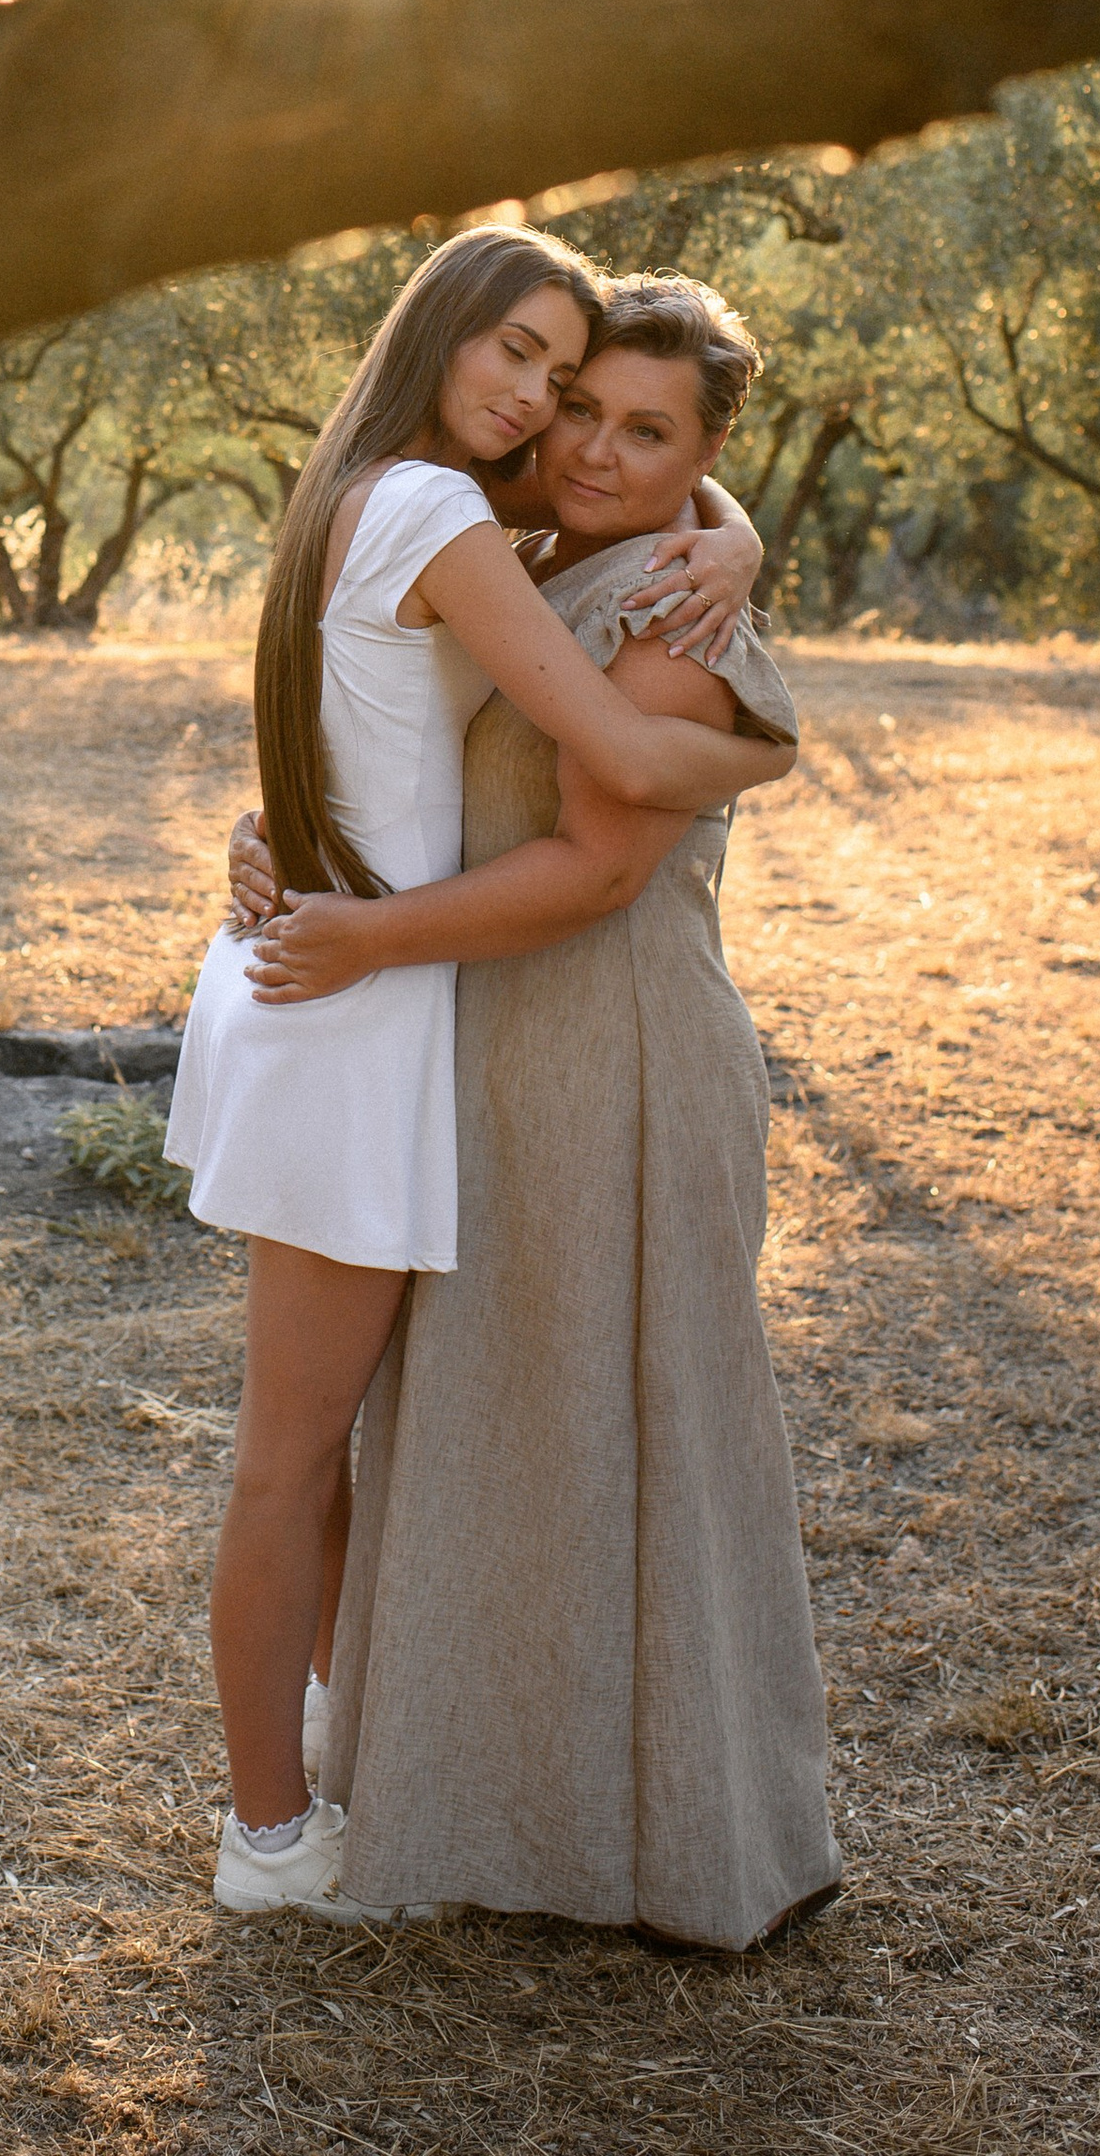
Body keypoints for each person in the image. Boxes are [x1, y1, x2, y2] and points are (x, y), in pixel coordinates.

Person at [164, 230, 790, 1921]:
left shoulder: (377, 484)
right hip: (351, 1008)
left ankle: (340, 1760)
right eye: (521, 358)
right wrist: (760, 747)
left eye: (565, 378)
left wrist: (730, 532)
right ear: (442, 329)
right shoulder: (443, 514)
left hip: (331, 994)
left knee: (342, 1441)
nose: (540, 404)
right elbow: (623, 761)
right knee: (290, 1460)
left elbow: (365, 719)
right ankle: (270, 1838)